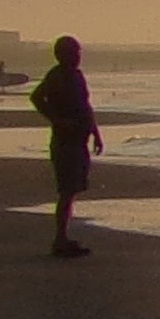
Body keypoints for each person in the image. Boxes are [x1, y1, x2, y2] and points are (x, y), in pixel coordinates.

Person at [27, 35, 103, 257]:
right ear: (62, 55)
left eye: (79, 53)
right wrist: (57, 120)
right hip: (65, 141)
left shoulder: (77, 76)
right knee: (67, 191)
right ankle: (60, 239)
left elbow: (86, 106)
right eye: (74, 53)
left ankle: (63, 238)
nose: (78, 57)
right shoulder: (57, 76)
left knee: (73, 189)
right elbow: (36, 97)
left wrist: (96, 133)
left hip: (80, 139)